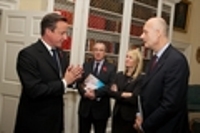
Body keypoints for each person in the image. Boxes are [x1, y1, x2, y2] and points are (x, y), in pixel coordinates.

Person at [14, 13, 83, 133]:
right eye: (62, 33)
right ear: (48, 31)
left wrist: (74, 79)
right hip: (35, 122)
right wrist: (65, 81)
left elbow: (62, 81)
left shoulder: (61, 54)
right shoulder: (28, 55)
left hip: (56, 121)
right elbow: (35, 90)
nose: (65, 38)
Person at [134, 17, 190, 133]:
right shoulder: (153, 60)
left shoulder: (176, 61)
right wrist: (140, 115)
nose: (141, 36)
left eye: (145, 32)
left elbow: (170, 105)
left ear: (158, 33)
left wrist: (145, 126)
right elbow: (145, 94)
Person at [77, 41, 116, 133]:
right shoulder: (86, 65)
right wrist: (84, 93)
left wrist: (96, 94)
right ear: (92, 51)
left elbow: (110, 86)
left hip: (101, 109)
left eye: (101, 50)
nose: (98, 52)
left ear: (105, 53)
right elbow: (79, 83)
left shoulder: (111, 67)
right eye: (96, 50)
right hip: (85, 109)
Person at [109, 49, 144, 133]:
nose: (127, 59)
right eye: (126, 57)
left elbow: (134, 98)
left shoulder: (140, 78)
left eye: (130, 58)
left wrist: (118, 93)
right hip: (117, 115)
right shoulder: (119, 75)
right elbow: (110, 92)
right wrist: (125, 94)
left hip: (130, 117)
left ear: (136, 61)